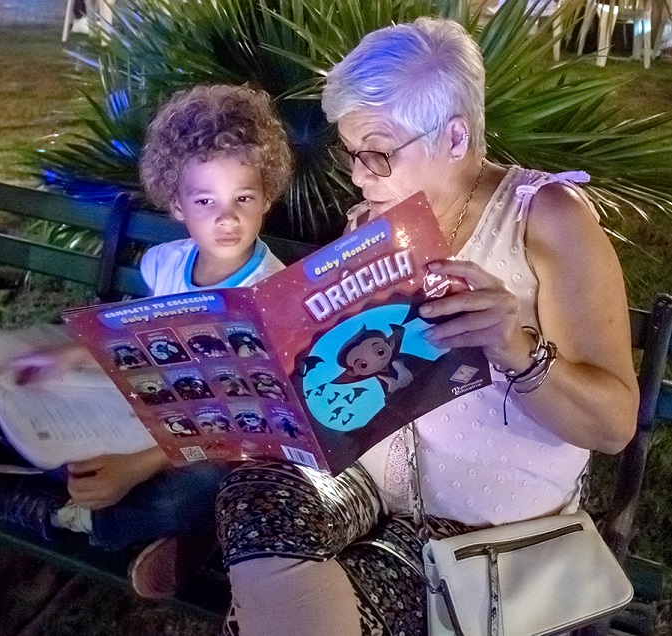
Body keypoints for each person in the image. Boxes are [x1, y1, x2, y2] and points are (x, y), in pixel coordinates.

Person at [214, 17, 639, 636]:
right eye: (352, 153)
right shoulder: (372, 222)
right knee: (252, 492)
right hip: (366, 486)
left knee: (303, 607)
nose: (360, 176)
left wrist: (514, 349)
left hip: (486, 532)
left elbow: (614, 425)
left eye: (379, 152)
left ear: (457, 136)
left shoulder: (546, 218)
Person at [0, 83, 293, 598]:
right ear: (176, 204)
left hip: (210, 437)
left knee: (195, 489)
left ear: (266, 196)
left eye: (243, 197)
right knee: (7, 379)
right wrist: (66, 354)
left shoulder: (270, 292)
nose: (227, 217)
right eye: (205, 200)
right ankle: (126, 510)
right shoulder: (167, 262)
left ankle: (72, 514)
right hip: (145, 405)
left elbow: (245, 419)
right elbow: (132, 336)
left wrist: (138, 466)